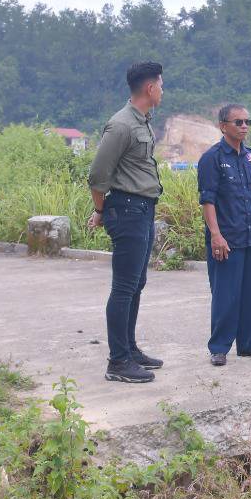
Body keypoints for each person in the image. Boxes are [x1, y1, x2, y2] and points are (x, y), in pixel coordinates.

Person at [87, 61, 166, 384]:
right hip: (128, 210)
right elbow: (97, 175)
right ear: (150, 88)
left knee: (136, 284)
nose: (163, 90)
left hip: (142, 209)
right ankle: (117, 361)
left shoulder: (141, 121)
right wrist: (102, 210)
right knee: (123, 287)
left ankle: (129, 349)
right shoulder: (121, 125)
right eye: (161, 85)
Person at [198, 104, 251, 367]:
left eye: (247, 122)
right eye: (238, 122)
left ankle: (247, 343)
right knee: (226, 295)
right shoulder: (212, 158)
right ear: (223, 126)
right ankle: (219, 347)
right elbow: (208, 201)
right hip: (227, 239)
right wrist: (216, 235)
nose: (244, 126)